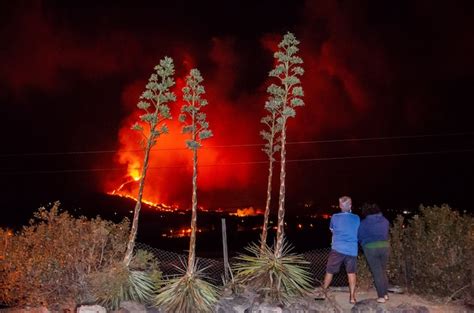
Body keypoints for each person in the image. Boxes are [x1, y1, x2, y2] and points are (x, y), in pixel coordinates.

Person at [321, 196, 360, 304]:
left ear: (340, 206)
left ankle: (323, 293)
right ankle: (352, 297)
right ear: (350, 206)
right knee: (351, 273)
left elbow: (332, 231)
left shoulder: (335, 217)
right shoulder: (356, 218)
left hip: (337, 248)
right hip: (352, 250)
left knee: (329, 271)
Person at [358, 203, 390, 303]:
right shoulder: (385, 220)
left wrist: (363, 244)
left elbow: (359, 236)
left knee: (377, 272)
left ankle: (381, 296)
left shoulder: (364, 223)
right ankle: (385, 294)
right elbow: (386, 232)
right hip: (385, 246)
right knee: (382, 271)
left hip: (370, 248)